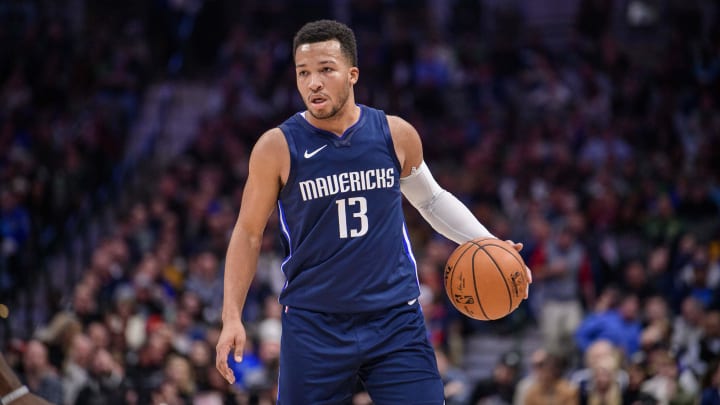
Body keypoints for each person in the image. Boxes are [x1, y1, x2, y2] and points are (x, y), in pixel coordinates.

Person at [215, 19, 531, 404]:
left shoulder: (394, 133)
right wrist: (231, 315)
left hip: (395, 318)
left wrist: (491, 243)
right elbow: (248, 233)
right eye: (303, 73)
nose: (313, 82)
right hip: (315, 324)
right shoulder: (277, 147)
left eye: (326, 70)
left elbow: (431, 199)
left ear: (352, 74)